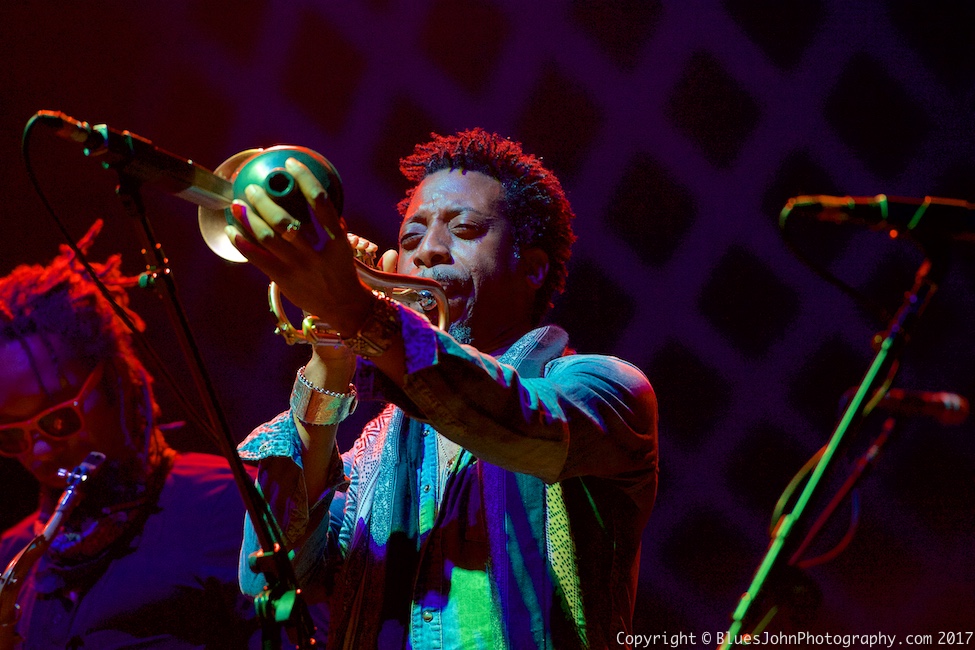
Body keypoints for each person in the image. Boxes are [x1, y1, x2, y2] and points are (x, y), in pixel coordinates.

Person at [233, 129, 659, 648]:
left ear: (533, 267)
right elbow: (273, 578)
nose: (429, 251)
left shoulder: (606, 388)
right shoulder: (375, 448)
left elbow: (508, 417)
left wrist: (358, 311)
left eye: (465, 229)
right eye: (410, 240)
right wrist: (330, 360)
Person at [0, 221, 267, 649]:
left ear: (115, 384)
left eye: (58, 420)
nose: (42, 450)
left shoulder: (230, 504)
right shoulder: (9, 556)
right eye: (13, 438)